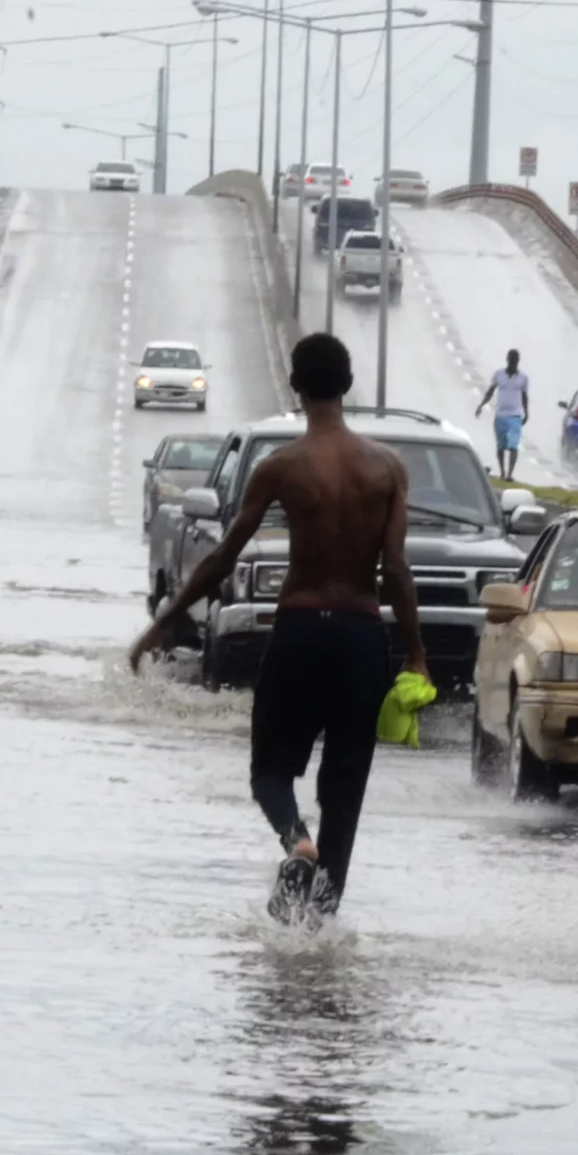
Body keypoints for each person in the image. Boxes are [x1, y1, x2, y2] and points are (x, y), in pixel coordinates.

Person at [131, 333, 428, 924]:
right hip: (362, 637)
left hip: (300, 631)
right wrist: (416, 654)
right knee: (344, 788)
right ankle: (321, 933)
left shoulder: (281, 467)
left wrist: (164, 624)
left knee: (270, 771)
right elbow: (395, 569)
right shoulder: (387, 468)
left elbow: (222, 558)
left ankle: (296, 842)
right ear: (347, 386)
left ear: (296, 386)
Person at [474, 349, 530, 482]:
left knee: (513, 445)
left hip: (515, 416)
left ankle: (510, 474)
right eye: (511, 361)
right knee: (501, 446)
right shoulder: (498, 375)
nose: (513, 363)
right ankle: (502, 472)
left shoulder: (523, 378)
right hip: (500, 416)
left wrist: (526, 413)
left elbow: (524, 396)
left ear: (518, 362)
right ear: (507, 360)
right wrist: (481, 405)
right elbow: (490, 391)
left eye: (515, 361)